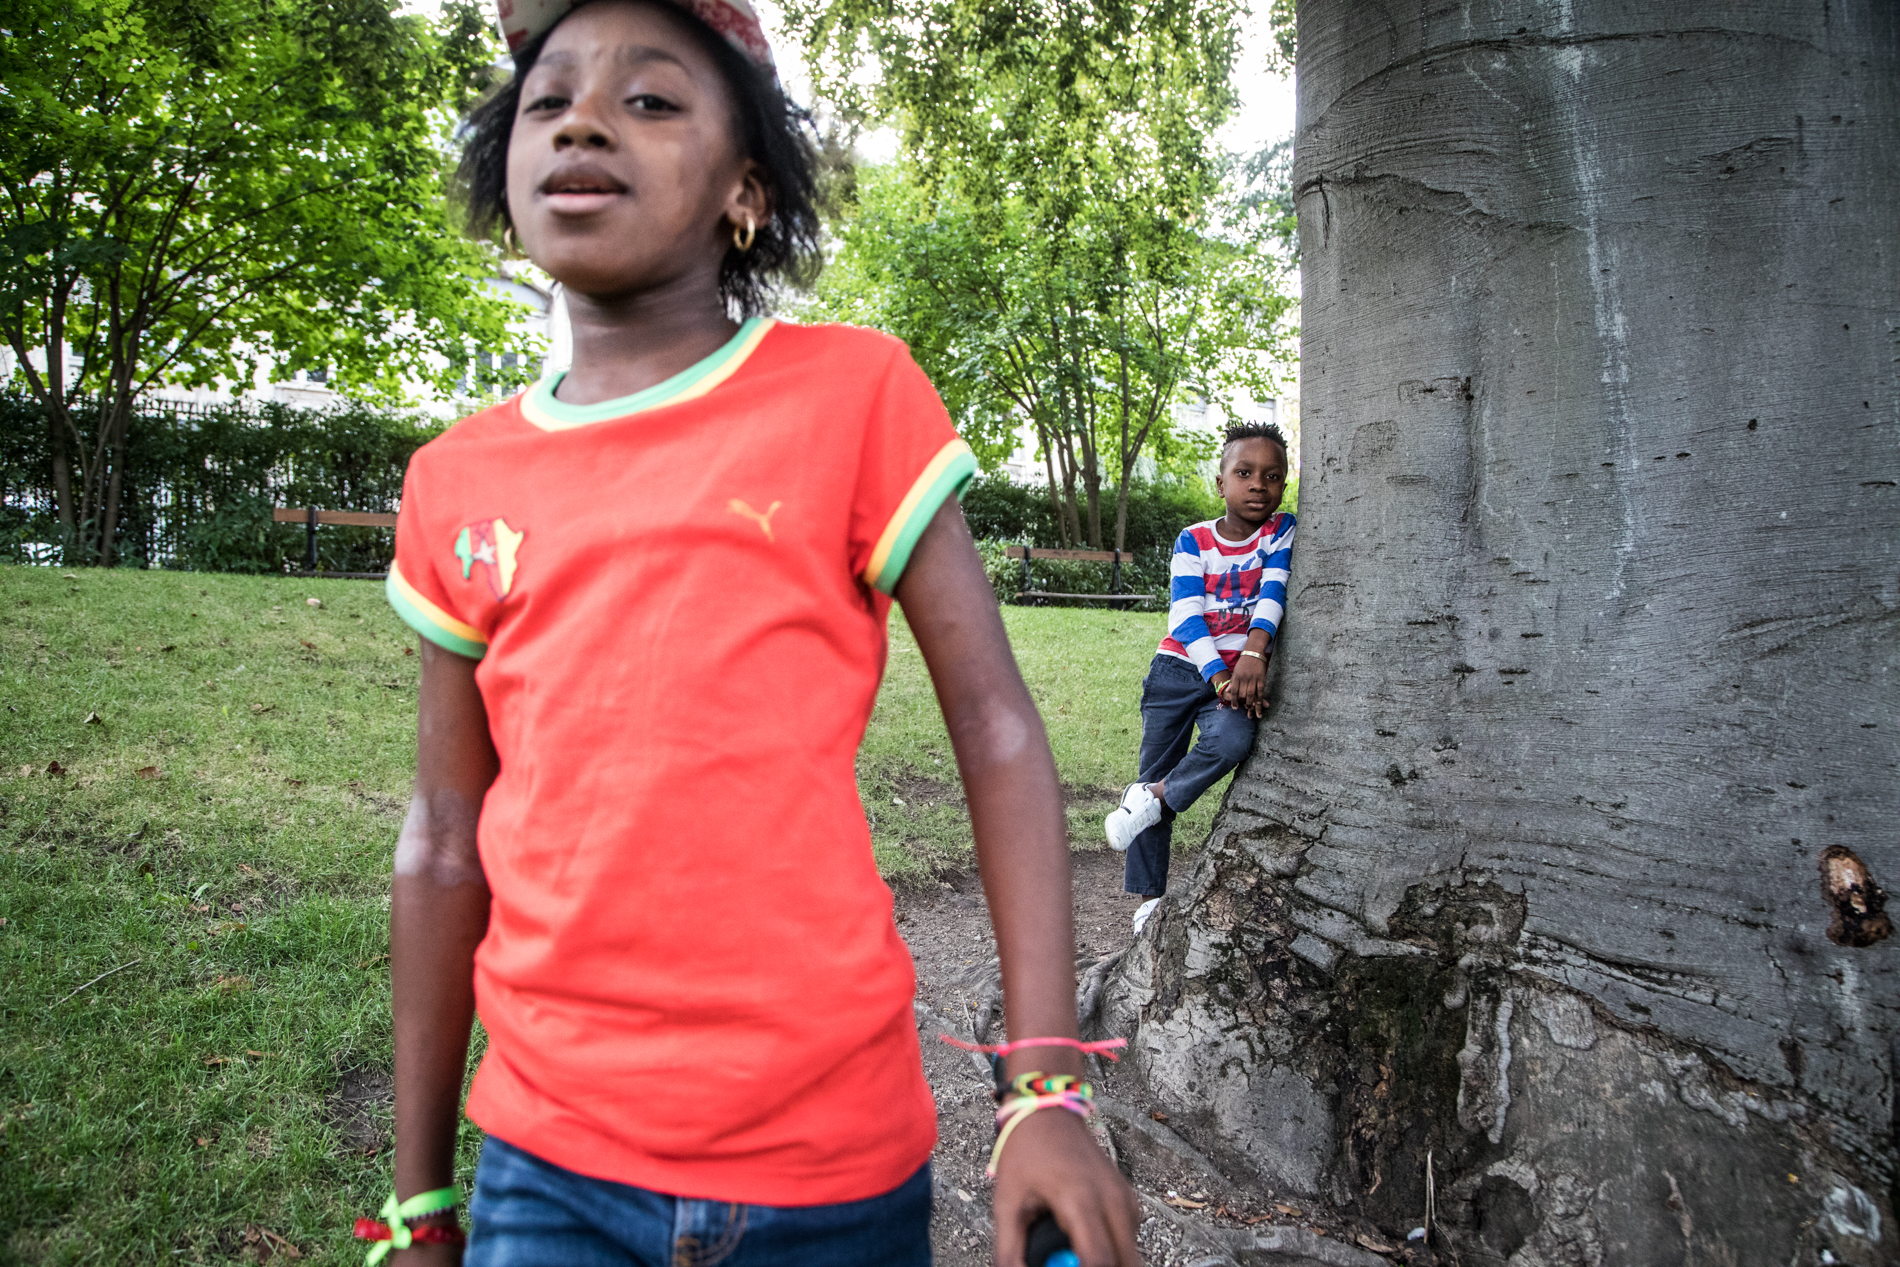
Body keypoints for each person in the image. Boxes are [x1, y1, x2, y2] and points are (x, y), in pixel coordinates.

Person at [369, 1, 1138, 1263]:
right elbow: (446, 839)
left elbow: (996, 727)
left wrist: (1042, 1087)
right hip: (544, 1171)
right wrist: (417, 1198)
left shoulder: (854, 395)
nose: (583, 121)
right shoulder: (455, 478)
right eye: (545, 98)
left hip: (828, 1172)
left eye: (652, 99)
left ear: (745, 190)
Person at [1104, 423, 1294, 927]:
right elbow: (1186, 617)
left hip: (1234, 677)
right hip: (1179, 670)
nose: (1259, 485)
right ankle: (1149, 900)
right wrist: (1219, 675)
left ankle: (1155, 798)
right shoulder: (1194, 540)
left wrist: (1253, 655)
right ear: (1220, 483)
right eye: (1245, 473)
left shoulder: (1280, 531)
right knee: (1153, 764)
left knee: (1231, 740)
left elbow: (1273, 594)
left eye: (1273, 476)